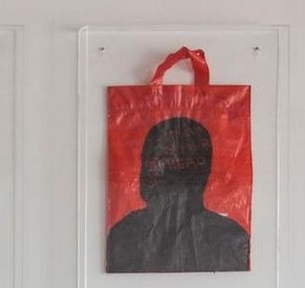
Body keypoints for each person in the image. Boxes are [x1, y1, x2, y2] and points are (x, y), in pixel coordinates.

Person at [106, 116, 249, 273]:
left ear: (198, 174)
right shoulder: (124, 235)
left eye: (162, 163)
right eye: (148, 160)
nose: (149, 172)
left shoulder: (230, 239)